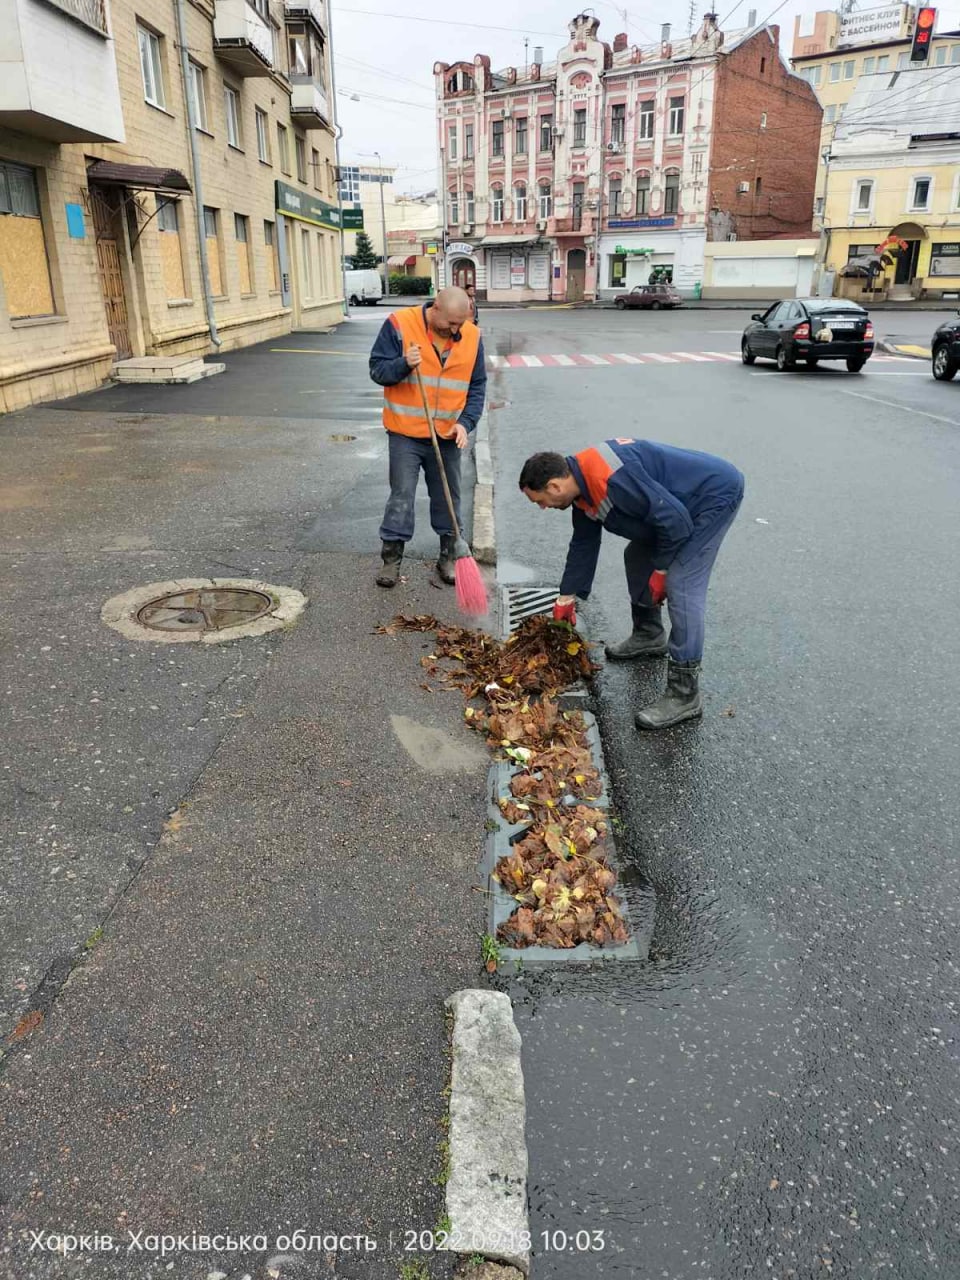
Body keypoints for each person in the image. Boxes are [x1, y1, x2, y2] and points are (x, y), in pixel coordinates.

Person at [519, 438, 744, 730]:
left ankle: (685, 693)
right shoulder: (581, 487)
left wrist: (662, 570)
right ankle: (649, 634)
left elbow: (674, 522)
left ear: (554, 487)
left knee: (682, 582)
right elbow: (584, 544)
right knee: (637, 556)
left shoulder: (611, 478)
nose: (543, 508)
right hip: (673, 508)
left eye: (540, 501)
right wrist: (566, 596)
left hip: (711, 497)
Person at [369, 287, 486, 587]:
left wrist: (465, 423)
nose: (456, 330)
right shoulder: (399, 324)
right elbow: (378, 370)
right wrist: (403, 364)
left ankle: (449, 555)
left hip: (447, 434)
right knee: (402, 497)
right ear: (435, 309)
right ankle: (391, 560)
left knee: (449, 498)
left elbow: (477, 386)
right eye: (451, 323)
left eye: (462, 323)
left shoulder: (472, 337)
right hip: (405, 433)